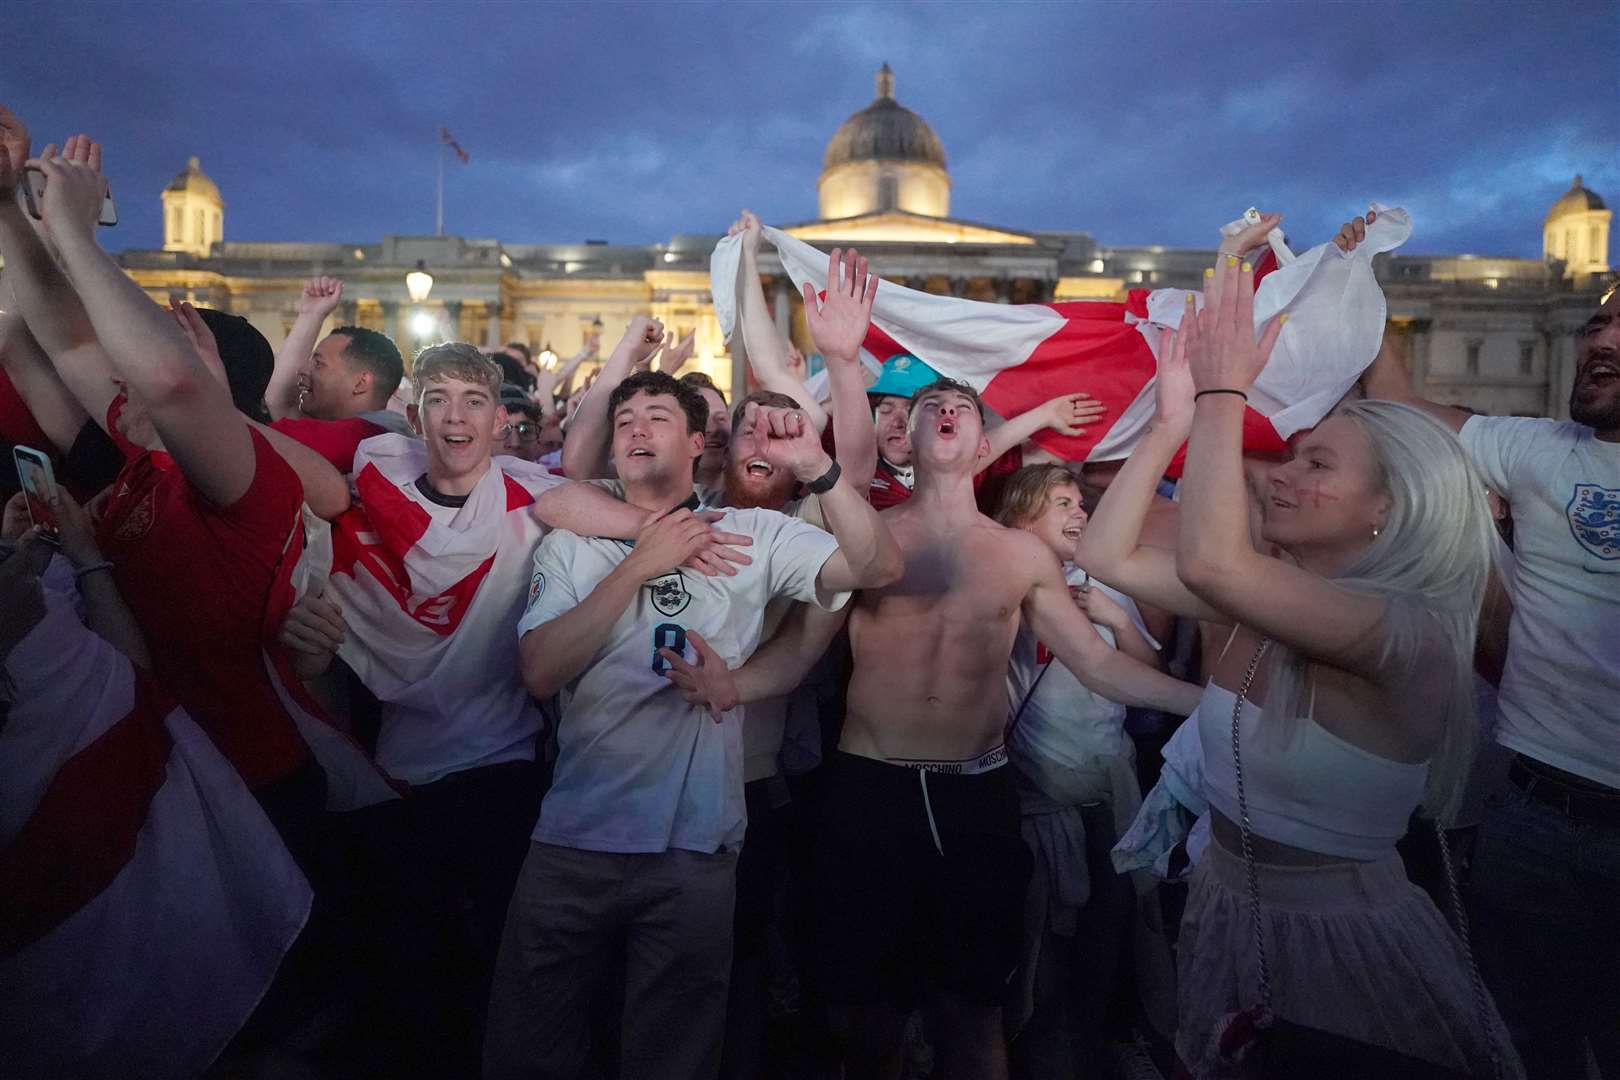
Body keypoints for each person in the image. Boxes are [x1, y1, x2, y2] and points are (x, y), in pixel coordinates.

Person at [1076, 242, 1519, 1076]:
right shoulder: (1275, 595)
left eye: (1316, 464)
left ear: (1391, 509)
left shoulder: (1407, 630)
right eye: (1291, 457)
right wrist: (1173, 420)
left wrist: (1220, 394)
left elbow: (1210, 563)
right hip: (1230, 910)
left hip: (1339, 943)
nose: (1281, 477)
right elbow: (1105, 551)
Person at [682, 373, 1199, 1078]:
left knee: (975, 1009)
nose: (948, 411)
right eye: (932, 406)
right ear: (912, 440)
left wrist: (1204, 705)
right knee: (863, 1016)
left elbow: (1097, 664)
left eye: (962, 407)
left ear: (983, 443)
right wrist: (729, 686)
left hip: (976, 797)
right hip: (870, 789)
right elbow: (799, 655)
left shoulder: (1023, 555)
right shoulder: (864, 542)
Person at [484, 363, 904, 1080]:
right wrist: (640, 564)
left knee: (672, 1059)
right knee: (531, 1051)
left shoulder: (750, 533)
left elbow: (878, 567)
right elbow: (540, 671)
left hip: (694, 847)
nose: (636, 429)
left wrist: (821, 470)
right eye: (623, 422)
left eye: (656, 417)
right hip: (573, 842)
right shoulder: (575, 538)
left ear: (694, 442)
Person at [1344, 212, 1620, 1080]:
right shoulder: (1541, 451)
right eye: (1598, 325)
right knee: (1514, 1042)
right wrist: (1361, 287)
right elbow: (1397, 413)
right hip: (1535, 812)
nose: (1601, 341)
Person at [0, 493, 312, 1080]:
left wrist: (56, 560)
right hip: (77, 957)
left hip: (164, 902)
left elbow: (126, 671)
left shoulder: (39, 610)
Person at [993, 464, 1161, 1079]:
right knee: (1043, 940)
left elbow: (1144, 668)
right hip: (1036, 799)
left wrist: (1115, 622)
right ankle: (1041, 1054)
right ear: (1019, 522)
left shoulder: (1104, 585)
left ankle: (1091, 1048)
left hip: (1108, 793)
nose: (1079, 514)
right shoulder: (1001, 586)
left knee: (1110, 927)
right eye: (1060, 503)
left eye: (1080, 504)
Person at [264, 274, 412, 472]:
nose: (303, 369)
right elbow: (281, 401)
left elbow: (258, 432)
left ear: (360, 383)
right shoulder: (382, 434)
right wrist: (311, 315)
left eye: (319, 364)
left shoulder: (358, 439)